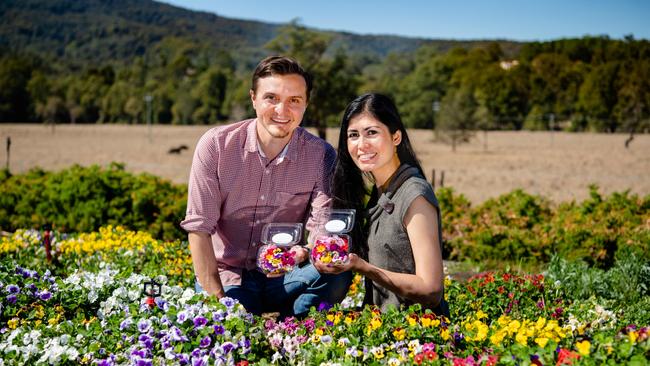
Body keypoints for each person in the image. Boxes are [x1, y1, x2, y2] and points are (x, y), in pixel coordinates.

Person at [181, 55, 351, 318]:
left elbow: (320, 231)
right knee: (233, 316)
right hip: (230, 275)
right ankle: (274, 317)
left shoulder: (321, 155)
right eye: (271, 98)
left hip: (284, 274)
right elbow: (198, 228)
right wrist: (219, 304)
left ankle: (292, 324)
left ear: (305, 104)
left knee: (337, 276)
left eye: (294, 100)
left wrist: (303, 252)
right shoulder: (216, 146)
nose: (282, 111)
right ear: (253, 99)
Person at [314, 93, 449, 317]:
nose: (362, 144)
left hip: (418, 333)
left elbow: (431, 289)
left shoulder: (414, 195)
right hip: (382, 325)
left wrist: (363, 267)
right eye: (353, 135)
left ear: (396, 137)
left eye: (372, 133)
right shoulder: (379, 194)